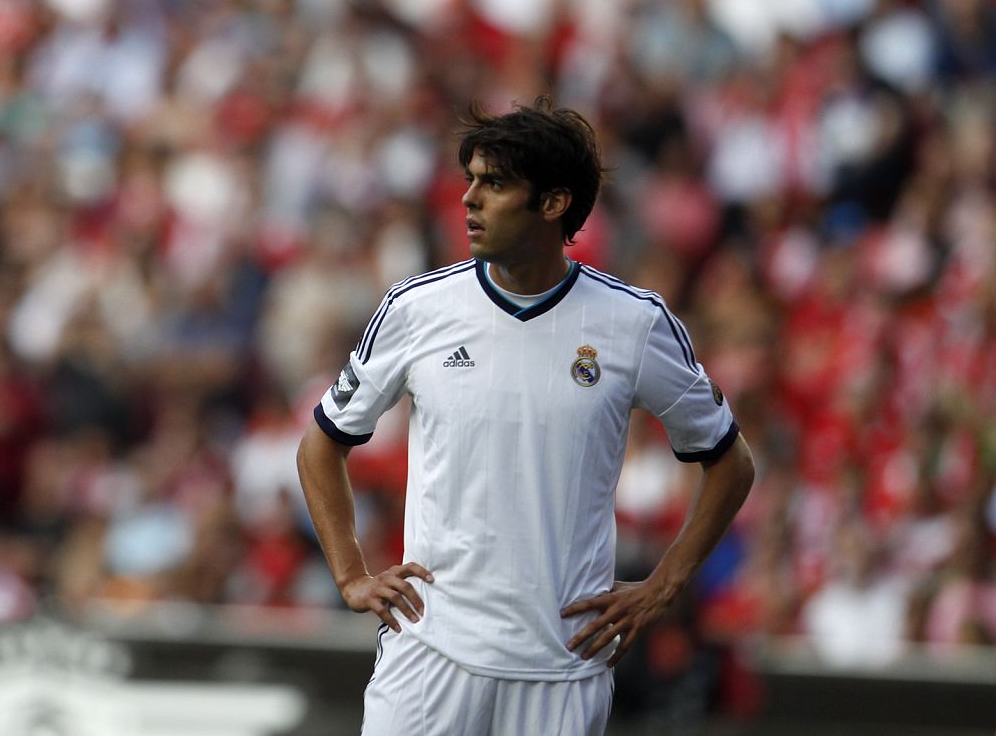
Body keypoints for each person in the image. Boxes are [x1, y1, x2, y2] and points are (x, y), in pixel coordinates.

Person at [297, 97, 755, 735]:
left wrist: (663, 584)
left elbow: (731, 463)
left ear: (554, 203)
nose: (469, 200)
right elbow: (321, 444)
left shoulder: (635, 325)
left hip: (563, 669)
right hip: (430, 656)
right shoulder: (417, 308)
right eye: (471, 181)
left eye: (495, 184)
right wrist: (350, 573)